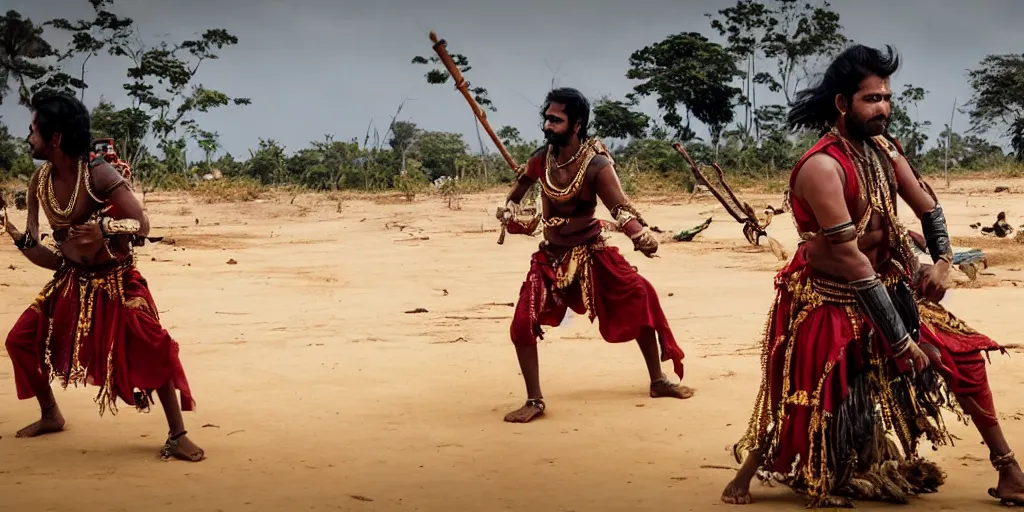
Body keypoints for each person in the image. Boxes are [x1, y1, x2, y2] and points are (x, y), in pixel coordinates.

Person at [720, 45, 1024, 507]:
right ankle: (749, 471)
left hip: (887, 288)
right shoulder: (822, 167)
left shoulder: (884, 150)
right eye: (871, 99)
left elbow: (929, 208)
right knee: (808, 391)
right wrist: (902, 342)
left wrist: (942, 263)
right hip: (830, 299)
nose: (883, 108)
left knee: (964, 359)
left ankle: (1010, 471)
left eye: (886, 97)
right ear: (843, 104)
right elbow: (851, 260)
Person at [2, 90, 203, 462]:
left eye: (33, 130)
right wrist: (12, 232)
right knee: (19, 341)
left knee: (151, 345)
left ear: (56, 137)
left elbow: (141, 224)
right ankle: (50, 413)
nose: (28, 137)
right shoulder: (39, 182)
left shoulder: (97, 172)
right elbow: (44, 255)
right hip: (69, 281)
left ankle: (177, 434)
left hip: (114, 281)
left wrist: (105, 229)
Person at [497, 87, 694, 423]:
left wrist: (640, 235)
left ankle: (658, 380)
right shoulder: (540, 158)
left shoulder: (596, 164)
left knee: (640, 297)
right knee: (521, 324)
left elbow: (619, 208)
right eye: (546, 118)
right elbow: (515, 197)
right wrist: (508, 212)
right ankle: (534, 400)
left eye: (556, 120)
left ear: (576, 125)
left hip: (591, 254)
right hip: (551, 257)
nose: (547, 125)